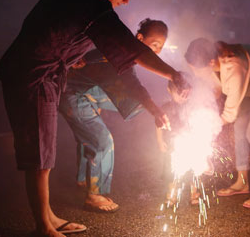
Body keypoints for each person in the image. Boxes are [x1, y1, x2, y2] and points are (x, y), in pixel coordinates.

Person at [0, 0, 188, 237]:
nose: (126, 1)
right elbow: (131, 49)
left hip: (33, 72)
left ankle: (48, 217)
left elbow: (50, 28)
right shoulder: (95, 7)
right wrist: (174, 75)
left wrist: (73, 56)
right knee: (39, 154)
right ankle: (44, 228)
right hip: (35, 75)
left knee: (44, 153)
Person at [59, 18, 170, 213]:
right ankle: (94, 196)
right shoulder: (120, 53)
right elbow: (134, 85)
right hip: (71, 94)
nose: (157, 51)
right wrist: (155, 110)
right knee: (102, 141)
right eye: (154, 45)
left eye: (161, 47)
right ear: (140, 38)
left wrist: (153, 109)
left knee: (136, 103)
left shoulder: (123, 51)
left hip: (86, 91)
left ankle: (83, 180)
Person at [184, 38, 250, 209]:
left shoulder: (234, 67)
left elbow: (230, 113)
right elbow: (217, 90)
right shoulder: (214, 63)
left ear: (211, 62)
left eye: (197, 69)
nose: (196, 74)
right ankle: (242, 182)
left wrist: (205, 133)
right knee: (239, 128)